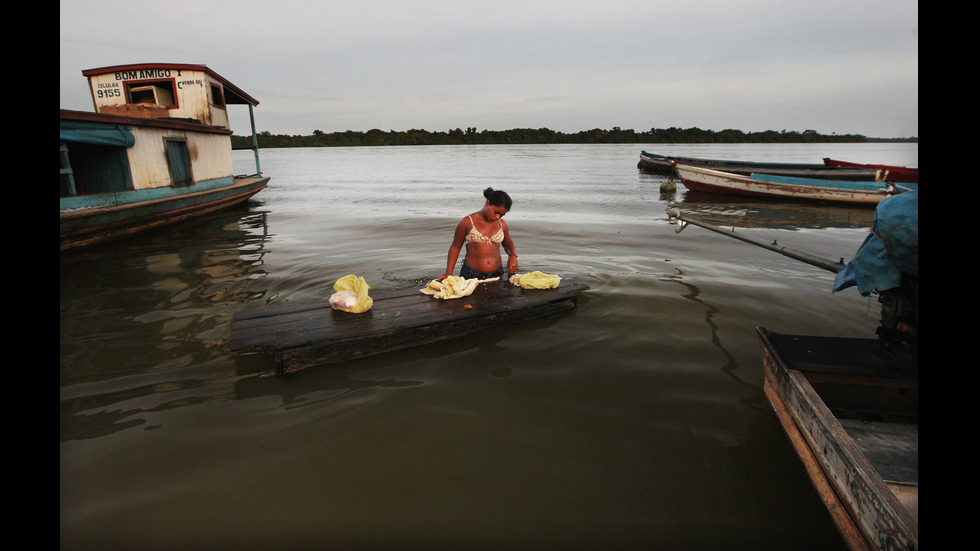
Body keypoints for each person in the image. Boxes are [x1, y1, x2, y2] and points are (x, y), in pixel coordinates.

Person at [438, 187, 518, 281]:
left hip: (497, 273)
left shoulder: (502, 225)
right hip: (471, 274)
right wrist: (448, 273)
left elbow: (508, 243)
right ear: (487, 203)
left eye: (501, 215)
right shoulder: (467, 222)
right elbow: (455, 248)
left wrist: (513, 255)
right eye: (496, 212)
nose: (497, 217)